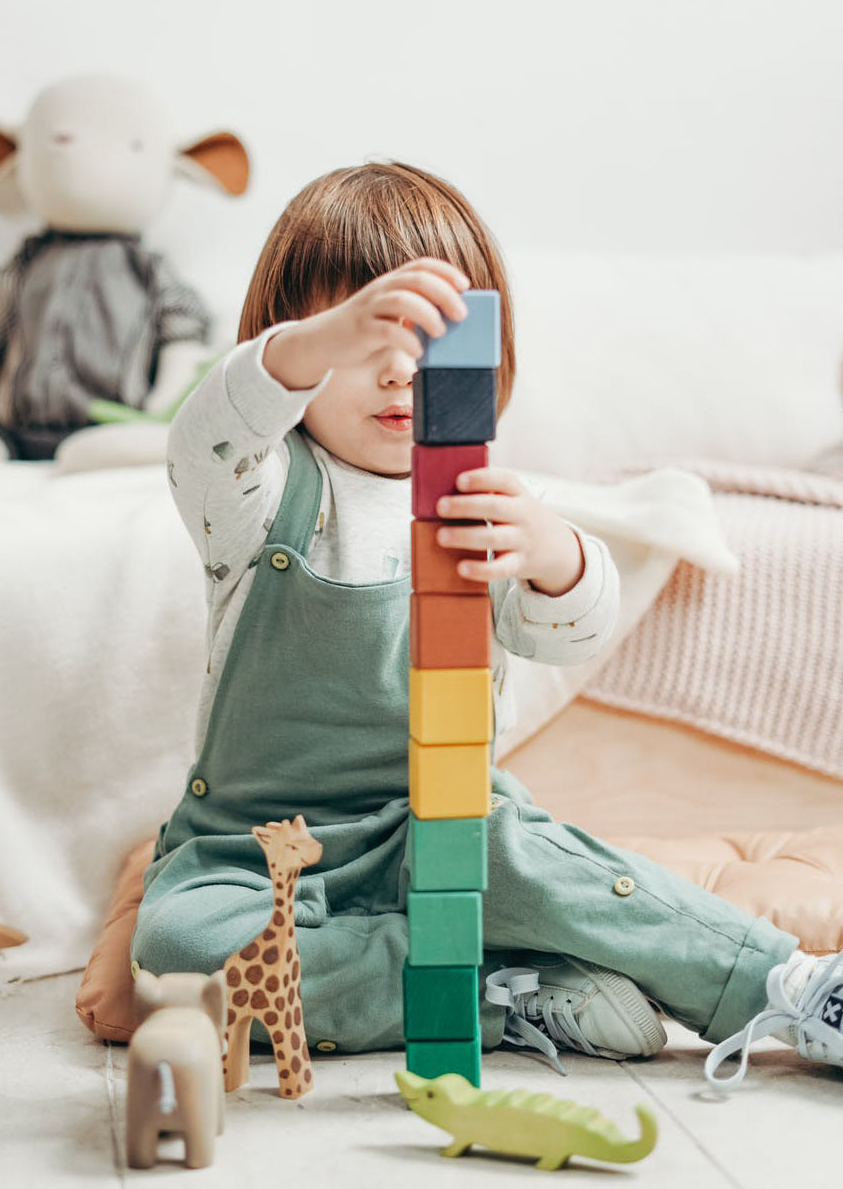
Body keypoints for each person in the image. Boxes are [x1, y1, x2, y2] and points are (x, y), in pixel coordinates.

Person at [132, 161, 843, 1092]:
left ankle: (787, 984)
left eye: (427, 340)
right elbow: (204, 438)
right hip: (255, 850)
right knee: (178, 948)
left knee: (527, 854)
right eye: (364, 337)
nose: (395, 367)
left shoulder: (478, 503)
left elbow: (568, 634)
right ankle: (506, 993)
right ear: (293, 347)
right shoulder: (259, 496)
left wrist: (556, 555)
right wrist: (315, 344)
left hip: (438, 821)